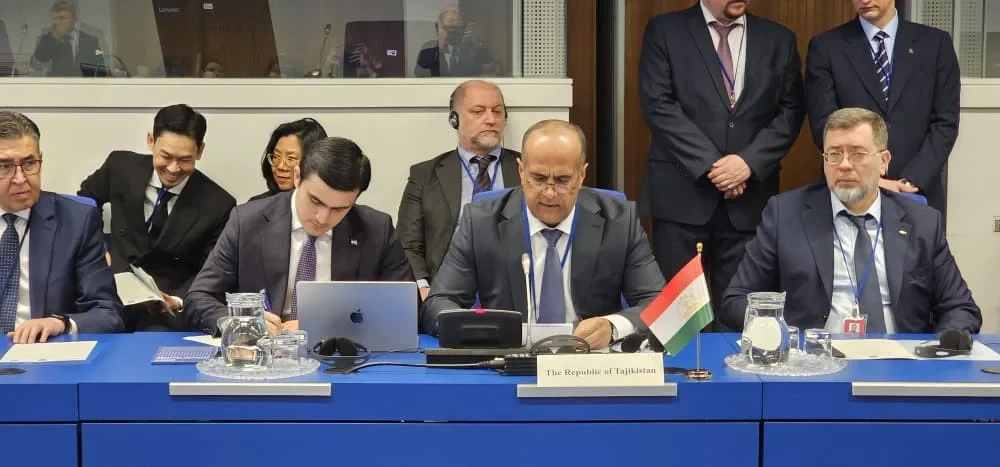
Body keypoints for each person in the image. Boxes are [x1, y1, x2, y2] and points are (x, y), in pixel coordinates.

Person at [721, 108, 980, 334]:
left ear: (884, 161)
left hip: (899, 362)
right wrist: (780, 334)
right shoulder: (785, 215)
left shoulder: (923, 222)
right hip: (814, 362)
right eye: (834, 154)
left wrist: (932, 351)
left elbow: (961, 308)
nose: (844, 165)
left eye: (857, 154)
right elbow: (736, 300)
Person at [637, 0, 804, 330]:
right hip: (683, 197)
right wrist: (713, 166)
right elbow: (658, 104)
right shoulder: (666, 32)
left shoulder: (779, 39)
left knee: (744, 319)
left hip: (750, 200)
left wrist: (748, 163)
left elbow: (791, 111)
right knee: (682, 324)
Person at [424, 120, 665, 349]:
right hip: (509, 358)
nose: (549, 193)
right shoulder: (481, 222)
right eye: (538, 179)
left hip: (589, 360)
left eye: (562, 180)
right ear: (521, 171)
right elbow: (437, 303)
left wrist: (613, 327)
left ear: (582, 175)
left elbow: (659, 302)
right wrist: (487, 331)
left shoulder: (619, 222)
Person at [185, 137, 414, 335]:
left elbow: (406, 309)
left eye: (339, 209)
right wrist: (240, 323)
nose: (323, 218)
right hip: (264, 352)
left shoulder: (376, 230)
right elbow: (198, 298)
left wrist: (326, 324)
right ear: (297, 177)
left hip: (340, 353)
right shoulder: (247, 222)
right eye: (315, 201)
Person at [78, 104, 236, 331]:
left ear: (200, 151)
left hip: (162, 308)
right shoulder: (120, 166)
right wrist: (98, 248)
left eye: (185, 160)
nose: (173, 168)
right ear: (151, 141)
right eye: (166, 156)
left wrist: (178, 300)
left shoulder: (218, 204)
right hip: (108, 292)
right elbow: (85, 200)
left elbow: (211, 270)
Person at [805, 0, 959, 214]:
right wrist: (872, 179)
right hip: (850, 189)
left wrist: (910, 180)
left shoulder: (935, 44)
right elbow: (824, 123)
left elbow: (945, 122)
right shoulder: (826, 47)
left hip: (917, 191)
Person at [0, 111, 123, 343]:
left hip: (41, 350)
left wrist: (60, 323)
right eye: (4, 166)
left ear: (41, 160)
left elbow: (108, 313)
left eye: (29, 163)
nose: (20, 178)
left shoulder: (76, 221)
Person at [397, 80, 520, 300]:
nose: (491, 120)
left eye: (497, 111)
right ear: (454, 119)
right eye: (478, 111)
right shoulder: (425, 176)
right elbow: (408, 244)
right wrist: (423, 288)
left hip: (513, 290)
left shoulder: (528, 170)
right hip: (447, 292)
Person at [249, 118, 328, 202]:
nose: (280, 166)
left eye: (291, 158)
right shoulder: (256, 206)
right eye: (276, 157)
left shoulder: (333, 204)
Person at [415, 5, 495, 77]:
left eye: (456, 27)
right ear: (440, 27)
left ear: (463, 27)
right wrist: (439, 47)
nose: (452, 31)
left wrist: (479, 42)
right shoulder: (430, 47)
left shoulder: (472, 47)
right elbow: (421, 74)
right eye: (447, 27)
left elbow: (489, 69)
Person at [30, 1, 104, 77]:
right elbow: (36, 66)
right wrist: (54, 38)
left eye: (62, 18)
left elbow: (100, 67)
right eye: (55, 18)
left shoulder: (91, 40)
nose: (58, 22)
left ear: (74, 19)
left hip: (84, 83)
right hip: (56, 83)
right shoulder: (46, 39)